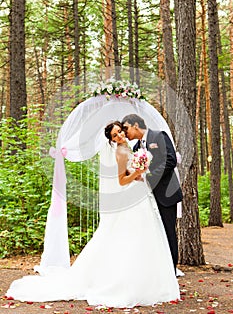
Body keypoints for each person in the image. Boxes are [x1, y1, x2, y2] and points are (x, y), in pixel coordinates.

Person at [6, 121, 180, 308]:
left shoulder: (131, 147)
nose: (120, 136)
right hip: (133, 198)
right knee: (132, 238)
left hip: (141, 196)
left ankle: (148, 278)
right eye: (115, 135)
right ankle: (130, 281)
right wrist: (139, 171)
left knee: (145, 238)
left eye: (120, 131)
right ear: (111, 140)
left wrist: (139, 173)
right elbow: (122, 180)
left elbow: (134, 173)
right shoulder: (121, 152)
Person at [122, 114, 183, 272]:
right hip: (148, 196)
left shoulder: (159, 135)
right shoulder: (136, 148)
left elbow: (170, 160)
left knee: (168, 232)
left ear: (136, 125)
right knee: (154, 233)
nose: (125, 132)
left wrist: (149, 176)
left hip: (166, 194)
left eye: (126, 128)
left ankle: (171, 270)